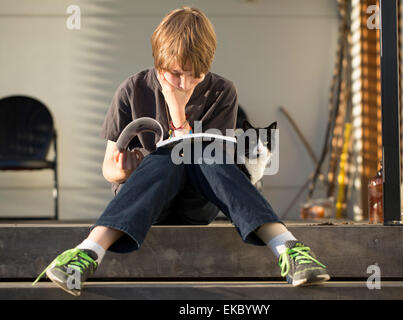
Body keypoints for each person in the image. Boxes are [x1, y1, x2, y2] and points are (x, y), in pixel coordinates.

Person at [33, 6, 329, 296]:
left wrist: (177, 110)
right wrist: (122, 170)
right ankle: (87, 252)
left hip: (196, 203)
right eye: (176, 73)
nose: (185, 83)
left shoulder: (223, 92)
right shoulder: (132, 89)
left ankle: (290, 250)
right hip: (147, 201)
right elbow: (107, 168)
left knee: (200, 153)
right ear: (160, 63)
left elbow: (213, 165)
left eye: (196, 75)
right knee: (167, 158)